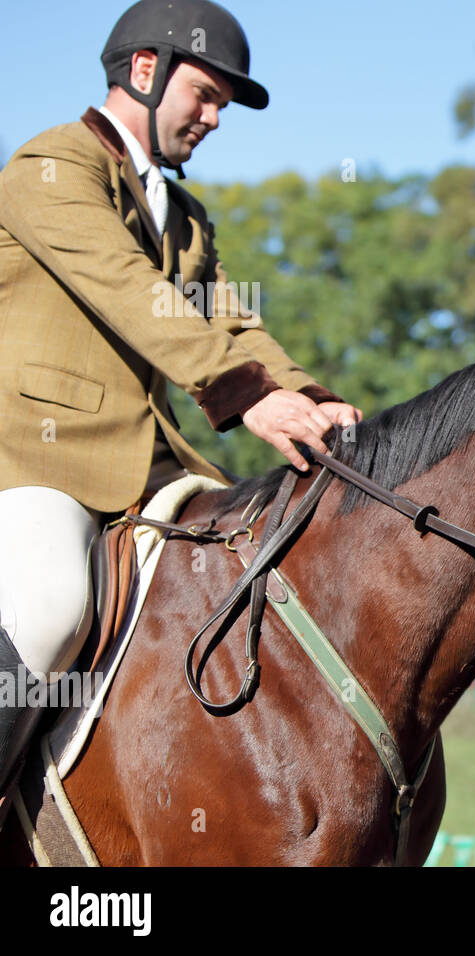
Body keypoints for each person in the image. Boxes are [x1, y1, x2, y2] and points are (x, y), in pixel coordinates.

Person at [0, 0, 361, 790]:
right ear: (143, 70)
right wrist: (248, 400)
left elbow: (232, 324)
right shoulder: (50, 167)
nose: (214, 118)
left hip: (152, 469)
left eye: (222, 107)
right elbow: (134, 295)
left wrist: (312, 397)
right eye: (205, 95)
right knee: (53, 604)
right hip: (34, 457)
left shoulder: (185, 218)